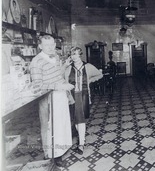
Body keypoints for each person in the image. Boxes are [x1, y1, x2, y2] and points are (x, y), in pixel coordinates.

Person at [29, 35, 74, 167]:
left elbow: (58, 74)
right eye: (46, 45)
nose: (50, 48)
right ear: (40, 46)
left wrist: (64, 66)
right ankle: (49, 156)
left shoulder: (56, 56)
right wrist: (58, 86)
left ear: (55, 45)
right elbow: (37, 85)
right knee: (49, 126)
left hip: (60, 95)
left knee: (60, 125)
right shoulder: (36, 62)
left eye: (52, 45)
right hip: (47, 98)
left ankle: (59, 152)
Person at [64, 47, 103, 155]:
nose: (74, 57)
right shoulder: (68, 68)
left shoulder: (88, 66)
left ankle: (81, 144)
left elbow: (100, 75)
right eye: (72, 55)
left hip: (83, 95)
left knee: (80, 119)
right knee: (76, 119)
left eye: (76, 54)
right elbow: (63, 81)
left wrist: (89, 80)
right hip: (72, 96)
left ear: (80, 55)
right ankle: (82, 140)